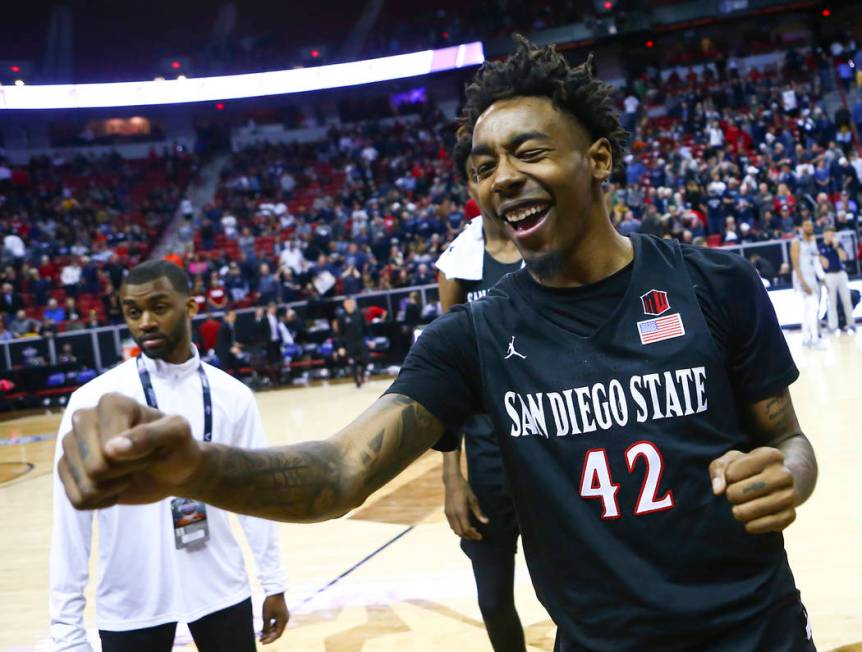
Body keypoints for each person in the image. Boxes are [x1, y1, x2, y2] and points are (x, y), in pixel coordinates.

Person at [59, 40, 818, 652]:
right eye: (483, 167)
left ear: (598, 159)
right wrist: (198, 467)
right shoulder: (473, 336)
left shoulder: (715, 284)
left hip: (758, 633)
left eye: (527, 152)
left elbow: (788, 440)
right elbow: (340, 470)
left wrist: (785, 474)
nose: (503, 179)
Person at [50, 260, 289, 652]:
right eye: (133, 311)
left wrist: (274, 581)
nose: (145, 321)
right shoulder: (92, 401)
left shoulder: (232, 395)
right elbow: (70, 521)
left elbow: (254, 495)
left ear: (190, 308)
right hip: (132, 598)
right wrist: (67, 631)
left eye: (158, 307)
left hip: (220, 587)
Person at [436, 159, 526, 651]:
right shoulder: (458, 266)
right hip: (488, 455)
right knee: (493, 599)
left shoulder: (549, 247)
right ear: (471, 185)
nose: (493, 180)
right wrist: (452, 477)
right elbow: (448, 377)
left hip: (553, 448)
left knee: (574, 589)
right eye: (478, 171)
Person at [790, 220, 826, 348]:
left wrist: (822, 276)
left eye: (811, 225)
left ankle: (805, 339)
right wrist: (803, 283)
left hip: (812, 278)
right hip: (803, 280)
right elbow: (796, 265)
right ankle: (815, 339)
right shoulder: (796, 242)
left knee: (807, 310)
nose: (809, 227)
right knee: (814, 308)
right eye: (806, 225)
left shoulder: (812, 241)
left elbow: (815, 260)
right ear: (801, 227)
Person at [818, 226, 856, 334]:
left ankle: (851, 324)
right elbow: (824, 265)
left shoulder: (838, 245)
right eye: (830, 234)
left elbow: (844, 258)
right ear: (825, 234)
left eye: (833, 234)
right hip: (829, 275)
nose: (831, 236)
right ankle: (833, 326)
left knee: (847, 300)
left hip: (841, 273)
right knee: (831, 301)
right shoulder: (820, 247)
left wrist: (837, 246)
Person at [333, 297, 370, 387]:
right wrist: (341, 347)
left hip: (360, 341)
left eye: (351, 303)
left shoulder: (359, 313)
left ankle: (362, 374)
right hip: (349, 343)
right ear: (344, 305)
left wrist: (371, 339)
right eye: (348, 303)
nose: (350, 305)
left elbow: (366, 328)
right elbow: (339, 334)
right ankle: (357, 382)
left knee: (366, 359)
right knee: (352, 362)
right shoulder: (341, 317)